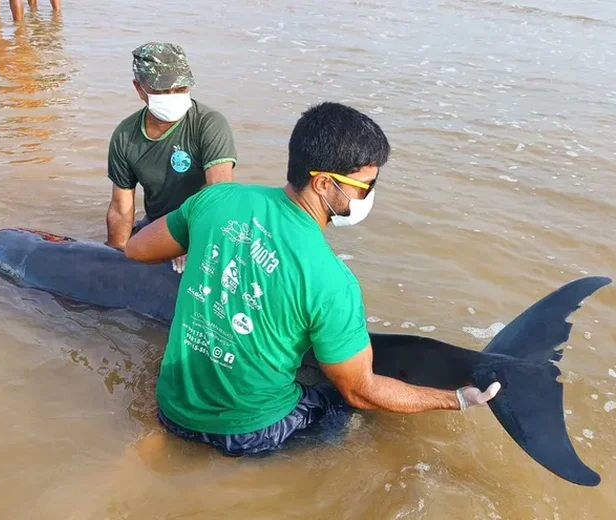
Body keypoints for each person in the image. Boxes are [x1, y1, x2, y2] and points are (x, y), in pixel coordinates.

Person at [124, 101, 500, 456]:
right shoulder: (333, 281)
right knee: (343, 408)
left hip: (171, 408)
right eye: (365, 186)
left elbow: (136, 249)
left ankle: (163, 441)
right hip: (247, 432)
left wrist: (210, 248)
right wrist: (457, 399)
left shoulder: (216, 199)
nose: (369, 195)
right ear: (323, 184)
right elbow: (361, 391)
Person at [105, 41, 238, 273]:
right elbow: (120, 209)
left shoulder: (209, 124)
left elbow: (220, 196)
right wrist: (114, 258)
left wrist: (190, 241)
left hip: (202, 226)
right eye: (163, 90)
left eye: (180, 89)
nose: (173, 95)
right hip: (157, 225)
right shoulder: (125, 135)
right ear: (139, 88)